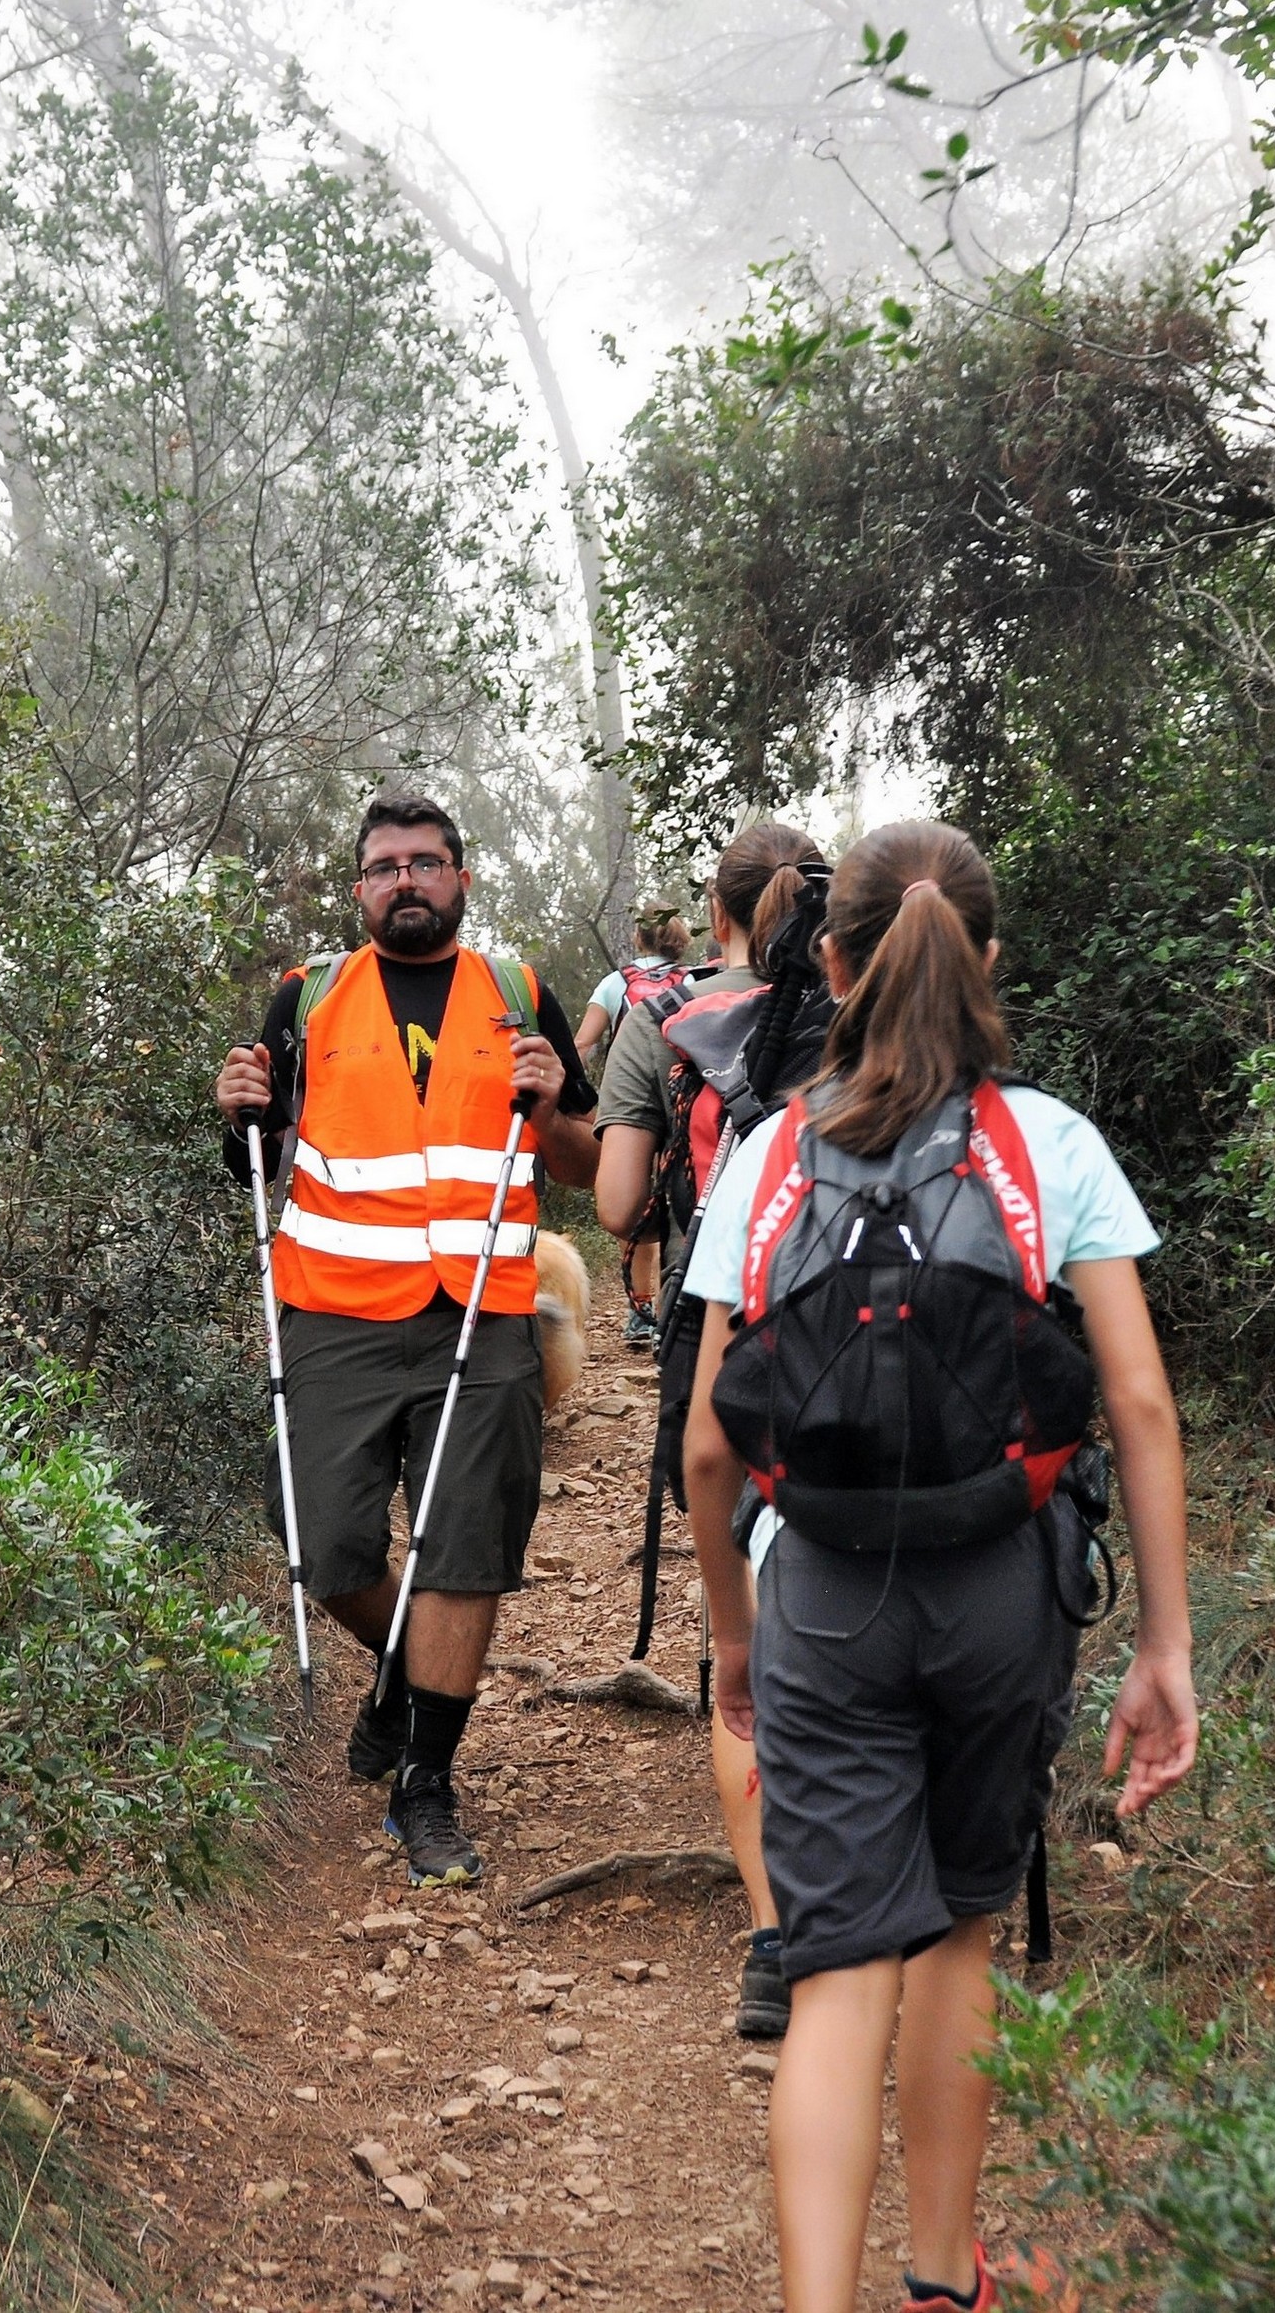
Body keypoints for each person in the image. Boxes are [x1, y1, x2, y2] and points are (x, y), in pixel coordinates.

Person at [676, 821, 1197, 2313]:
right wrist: (1165, 1647)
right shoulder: (1050, 1144)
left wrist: (733, 1635)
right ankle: (939, 2285)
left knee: (839, 1970)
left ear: (831, 963)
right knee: (958, 1934)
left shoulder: (774, 1151)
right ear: (991, 961)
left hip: (823, 1592)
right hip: (999, 1588)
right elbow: (1140, 1405)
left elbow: (710, 1444)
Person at [214, 792, 602, 1888]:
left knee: (464, 1547)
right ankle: (399, 1672)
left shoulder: (517, 993)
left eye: (425, 863)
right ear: (361, 890)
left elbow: (581, 1167)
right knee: (319, 1537)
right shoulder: (308, 997)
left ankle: (425, 1783)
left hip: (482, 1311)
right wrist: (237, 1106)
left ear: (460, 880)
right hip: (333, 1310)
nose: (406, 882)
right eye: (385, 867)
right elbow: (254, 1157)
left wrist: (551, 1103)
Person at [589, 819, 824, 2041]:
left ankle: (777, 1934)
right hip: (866, 1335)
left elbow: (617, 1202)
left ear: (716, 914)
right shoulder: (864, 1003)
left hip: (719, 1330)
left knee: (743, 1637)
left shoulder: (665, 1017)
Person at [576, 908, 699, 1352]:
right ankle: (680, 1298)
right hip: (686, 1096)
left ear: (638, 937)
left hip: (633, 1101)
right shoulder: (693, 979)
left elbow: (584, 1042)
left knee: (636, 1199)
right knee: (683, 1193)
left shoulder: (616, 982)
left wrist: (580, 1098)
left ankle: (640, 1309)